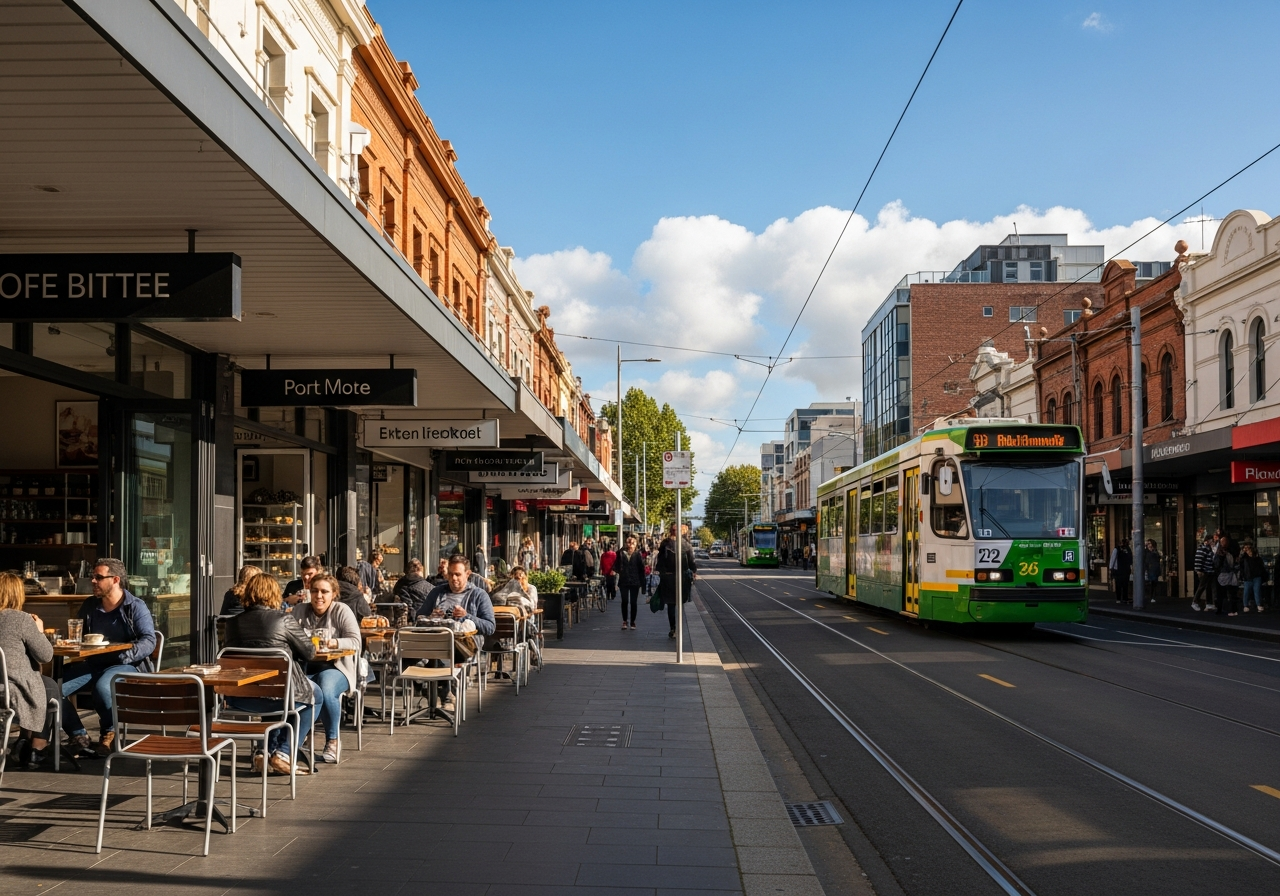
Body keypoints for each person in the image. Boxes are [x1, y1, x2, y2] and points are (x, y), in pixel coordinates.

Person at [60, 558, 158, 758]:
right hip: (93, 662)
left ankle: (108, 734)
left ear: (115, 580)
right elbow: (78, 636)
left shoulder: (134, 606)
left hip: (126, 664)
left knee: (103, 687)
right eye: (92, 577)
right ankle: (79, 737)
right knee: (53, 689)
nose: (93, 581)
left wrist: (125, 655)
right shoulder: (90, 605)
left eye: (98, 577)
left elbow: (149, 640)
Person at [224, 573, 318, 776]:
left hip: (241, 697)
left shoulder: (232, 623)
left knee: (277, 698)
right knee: (315, 696)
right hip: (279, 694)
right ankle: (283, 753)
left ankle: (262, 752)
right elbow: (310, 652)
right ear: (274, 594)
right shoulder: (284, 620)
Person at [292, 572, 360, 763]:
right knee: (292, 688)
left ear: (334, 594)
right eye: (314, 591)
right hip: (305, 667)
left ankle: (333, 740)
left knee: (325, 686)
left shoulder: (341, 610)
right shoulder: (299, 611)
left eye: (324, 591)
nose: (319, 596)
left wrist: (333, 643)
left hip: (337, 667)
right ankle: (290, 745)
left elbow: (356, 642)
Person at [0, 572, 59, 769]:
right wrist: (40, 631)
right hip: (11, 689)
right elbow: (45, 655)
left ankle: (25, 740)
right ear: (17, 595)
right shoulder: (22, 620)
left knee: (46, 686)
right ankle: (37, 747)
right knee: (50, 687)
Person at [656, 524, 696, 640]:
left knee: (672, 604)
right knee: (676, 604)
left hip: (671, 576)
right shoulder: (684, 544)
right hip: (676, 577)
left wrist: (660, 571)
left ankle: (673, 628)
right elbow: (691, 561)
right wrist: (693, 571)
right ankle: (674, 627)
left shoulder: (667, 543)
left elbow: (661, 560)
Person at [615, 535, 646, 631]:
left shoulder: (638, 554)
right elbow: (615, 566)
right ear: (625, 543)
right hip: (624, 581)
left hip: (635, 582)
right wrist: (619, 571)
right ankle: (624, 621)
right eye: (629, 542)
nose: (630, 545)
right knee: (624, 601)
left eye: (633, 543)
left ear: (636, 544)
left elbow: (641, 569)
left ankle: (632, 621)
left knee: (633, 602)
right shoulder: (620, 553)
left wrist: (643, 584)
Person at [1214, 536, 1240, 617]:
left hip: (1225, 574)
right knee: (1229, 593)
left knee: (1225, 593)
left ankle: (1224, 609)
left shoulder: (1221, 553)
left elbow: (1217, 564)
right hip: (1227, 574)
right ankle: (1229, 609)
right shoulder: (1228, 552)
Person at [1192, 534, 1216, 612]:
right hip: (1204, 571)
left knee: (1208, 587)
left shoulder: (1209, 549)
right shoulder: (1202, 548)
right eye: (1211, 540)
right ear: (1208, 541)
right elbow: (1198, 560)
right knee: (1202, 586)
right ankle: (1195, 602)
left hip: (1210, 570)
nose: (1213, 542)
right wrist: (1199, 570)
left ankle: (1209, 603)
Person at [1240, 543, 1266, 613]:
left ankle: (1258, 605)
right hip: (1249, 577)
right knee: (1247, 591)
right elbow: (1241, 567)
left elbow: (1261, 568)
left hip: (1255, 576)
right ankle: (1246, 605)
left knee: (1256, 591)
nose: (1248, 550)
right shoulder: (1244, 558)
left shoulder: (1256, 558)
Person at [1109, 539, 1132, 604]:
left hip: (1125, 569)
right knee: (1119, 585)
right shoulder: (1117, 549)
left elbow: (1130, 559)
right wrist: (1111, 568)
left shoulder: (1128, 550)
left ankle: (1124, 598)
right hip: (1118, 569)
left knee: (1125, 585)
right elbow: (1113, 559)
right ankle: (1119, 598)